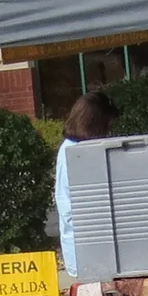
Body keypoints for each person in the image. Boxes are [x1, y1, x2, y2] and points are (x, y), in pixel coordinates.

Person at [53, 89, 117, 281]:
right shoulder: (73, 153)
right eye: (107, 125)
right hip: (86, 251)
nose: (109, 131)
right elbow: (71, 208)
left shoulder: (78, 149)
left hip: (93, 248)